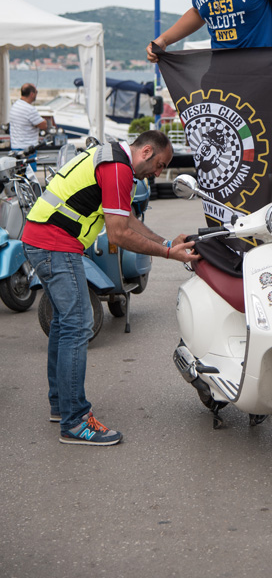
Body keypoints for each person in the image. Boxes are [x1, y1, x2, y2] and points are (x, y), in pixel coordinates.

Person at [22, 130, 200, 446]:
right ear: (146, 151)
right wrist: (168, 254)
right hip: (55, 245)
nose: (158, 173)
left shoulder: (114, 161)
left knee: (65, 324)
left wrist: (167, 242)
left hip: (45, 240)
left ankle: (61, 405)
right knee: (78, 325)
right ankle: (75, 421)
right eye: (159, 165)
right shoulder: (117, 168)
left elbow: (127, 219)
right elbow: (118, 235)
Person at [9, 83, 47, 149]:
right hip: (28, 149)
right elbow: (44, 126)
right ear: (32, 94)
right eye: (36, 92)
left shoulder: (15, 105)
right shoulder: (29, 109)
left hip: (15, 146)